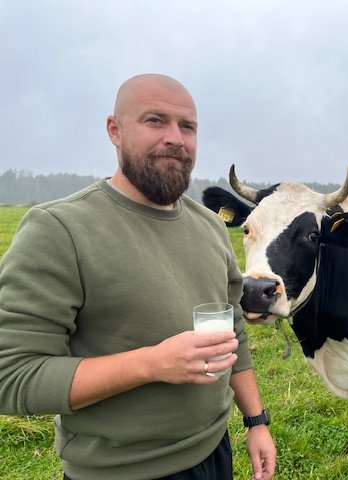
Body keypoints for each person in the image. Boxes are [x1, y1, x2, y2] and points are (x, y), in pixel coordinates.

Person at [0, 74, 276, 480]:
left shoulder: (210, 227)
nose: (176, 138)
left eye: (188, 126)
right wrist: (152, 363)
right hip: (120, 471)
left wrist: (256, 421)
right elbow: (12, 376)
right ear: (115, 130)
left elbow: (233, 331)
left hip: (215, 452)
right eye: (155, 120)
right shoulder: (59, 230)